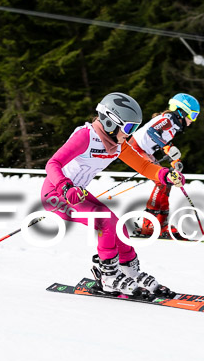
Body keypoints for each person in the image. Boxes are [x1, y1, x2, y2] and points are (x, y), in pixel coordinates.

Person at [41, 92, 185, 300]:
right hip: (55, 194)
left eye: (134, 128)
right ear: (110, 121)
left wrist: (165, 175)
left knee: (118, 225)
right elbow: (52, 164)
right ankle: (108, 277)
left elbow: (144, 165)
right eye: (128, 128)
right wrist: (65, 188)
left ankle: (130, 271)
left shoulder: (117, 144)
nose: (131, 133)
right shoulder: (86, 136)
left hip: (77, 193)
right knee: (105, 221)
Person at [129, 93, 200, 240]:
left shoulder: (173, 126)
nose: (193, 120)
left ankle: (160, 224)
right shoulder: (166, 119)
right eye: (192, 115)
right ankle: (149, 225)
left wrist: (175, 160)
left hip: (145, 151)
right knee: (160, 181)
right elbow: (152, 132)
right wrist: (167, 146)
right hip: (135, 149)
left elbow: (165, 144)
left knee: (166, 182)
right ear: (181, 111)